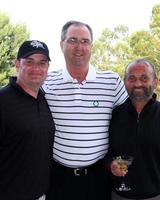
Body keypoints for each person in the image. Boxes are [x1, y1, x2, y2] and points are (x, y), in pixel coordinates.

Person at [43, 20, 128, 200]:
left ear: (91, 46)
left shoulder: (111, 82)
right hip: (58, 177)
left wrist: (121, 158)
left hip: (98, 178)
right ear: (61, 44)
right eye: (72, 40)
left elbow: (129, 121)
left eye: (85, 41)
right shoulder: (46, 83)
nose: (79, 47)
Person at [0, 40, 55, 200]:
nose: (36, 68)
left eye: (42, 63)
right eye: (29, 62)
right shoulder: (3, 100)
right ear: (18, 64)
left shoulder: (45, 99)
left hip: (41, 195)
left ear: (47, 68)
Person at [109, 58, 160, 200]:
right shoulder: (114, 114)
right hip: (118, 195)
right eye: (131, 78)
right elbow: (106, 151)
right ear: (125, 83)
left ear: (155, 82)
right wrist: (110, 164)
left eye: (144, 78)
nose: (138, 84)